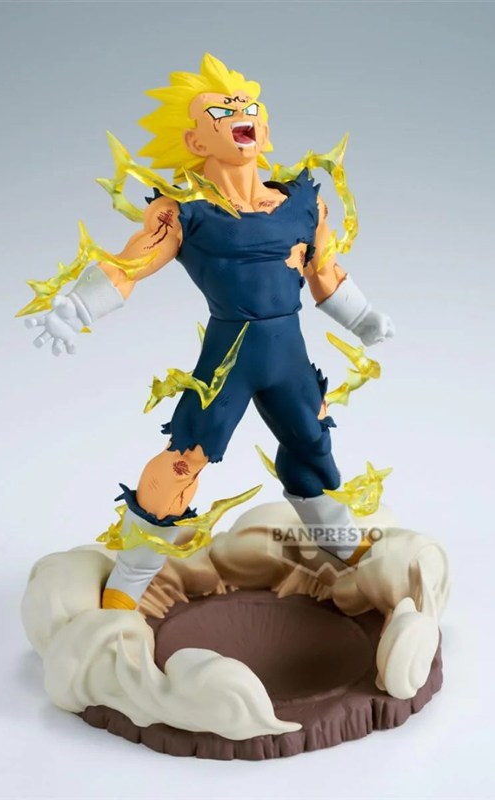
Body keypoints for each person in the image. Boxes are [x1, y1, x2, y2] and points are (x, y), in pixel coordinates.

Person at [25, 54, 394, 610]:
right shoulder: (183, 212)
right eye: (223, 110)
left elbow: (325, 273)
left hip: (289, 356)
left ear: (264, 128)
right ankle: (129, 581)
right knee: (184, 459)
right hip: (229, 360)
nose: (242, 114)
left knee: (313, 441)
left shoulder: (302, 203)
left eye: (250, 107)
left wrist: (363, 318)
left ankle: (337, 539)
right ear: (196, 141)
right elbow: (130, 265)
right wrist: (77, 305)